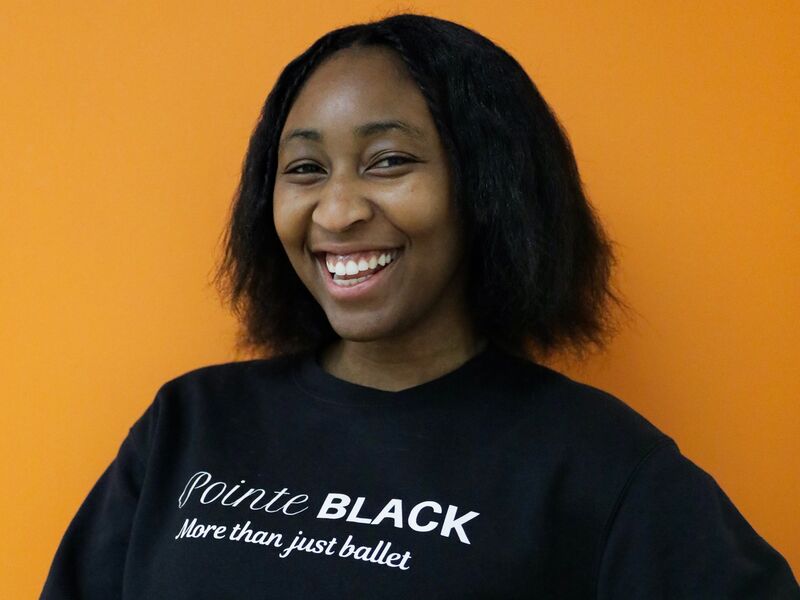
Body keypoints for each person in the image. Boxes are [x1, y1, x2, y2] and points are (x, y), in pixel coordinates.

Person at [41, 12, 799, 599]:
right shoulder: (189, 424)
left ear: (487, 187)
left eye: (389, 162)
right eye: (304, 168)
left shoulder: (599, 465)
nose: (335, 211)